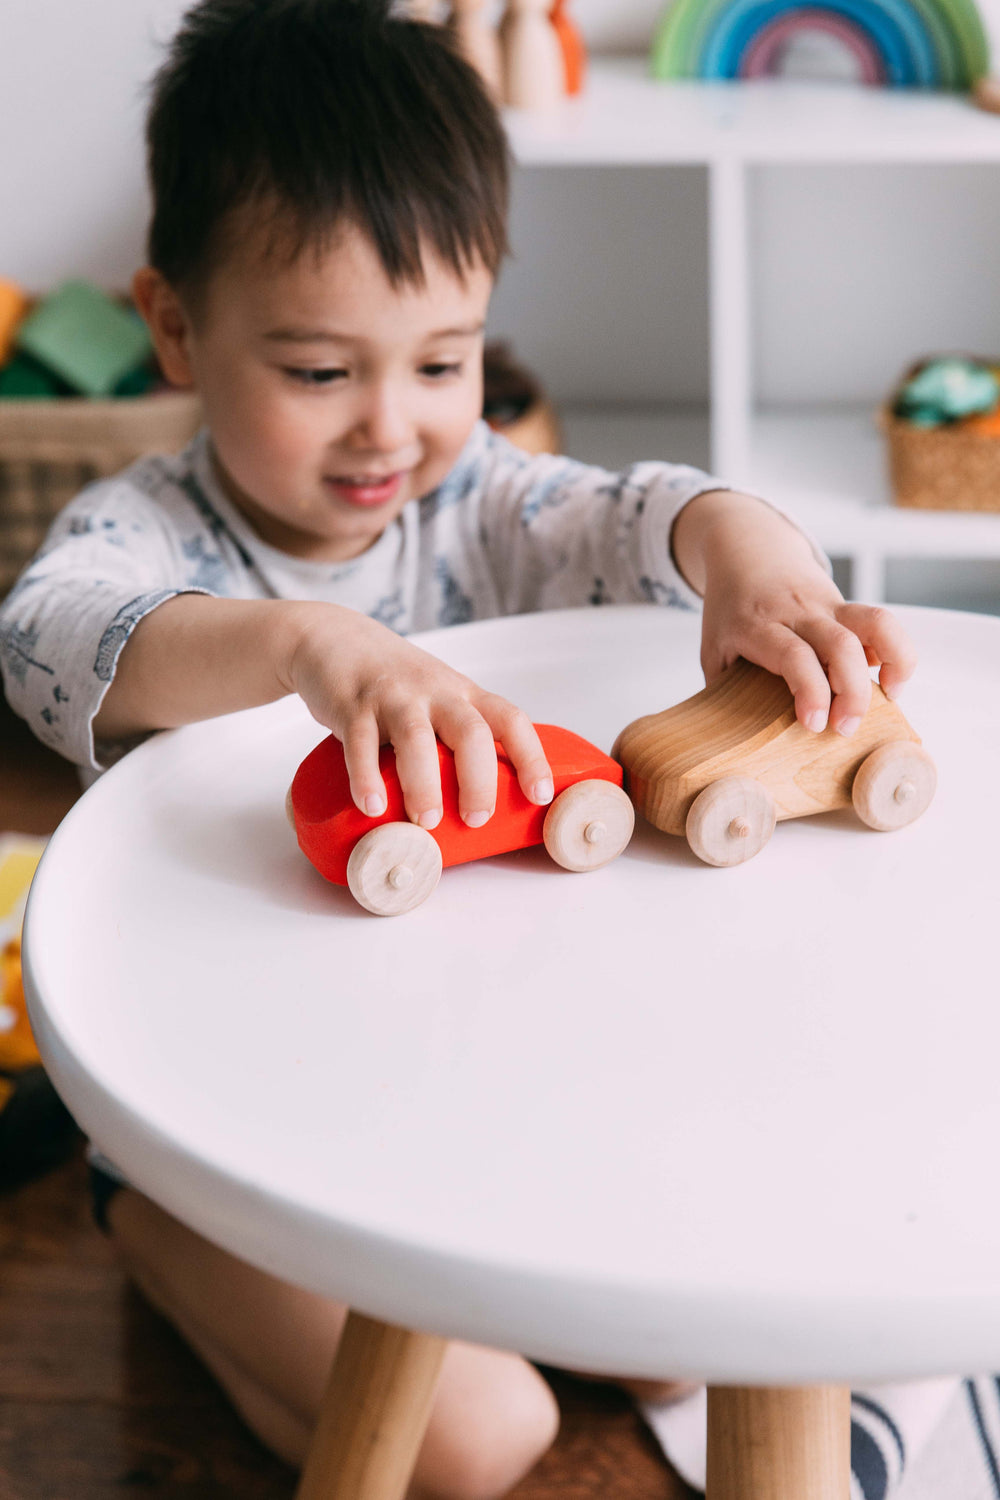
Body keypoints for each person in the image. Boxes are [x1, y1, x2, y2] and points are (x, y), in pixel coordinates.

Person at [0, 0, 917, 1493]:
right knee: (491, 1438)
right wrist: (308, 643)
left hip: (466, 1082)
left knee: (688, 1332)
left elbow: (632, 505)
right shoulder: (148, 531)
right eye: (318, 373)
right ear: (173, 325)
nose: (391, 432)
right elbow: (51, 634)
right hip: (235, 1113)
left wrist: (750, 550)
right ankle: (156, 1244)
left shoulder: (477, 496)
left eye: (441, 363)